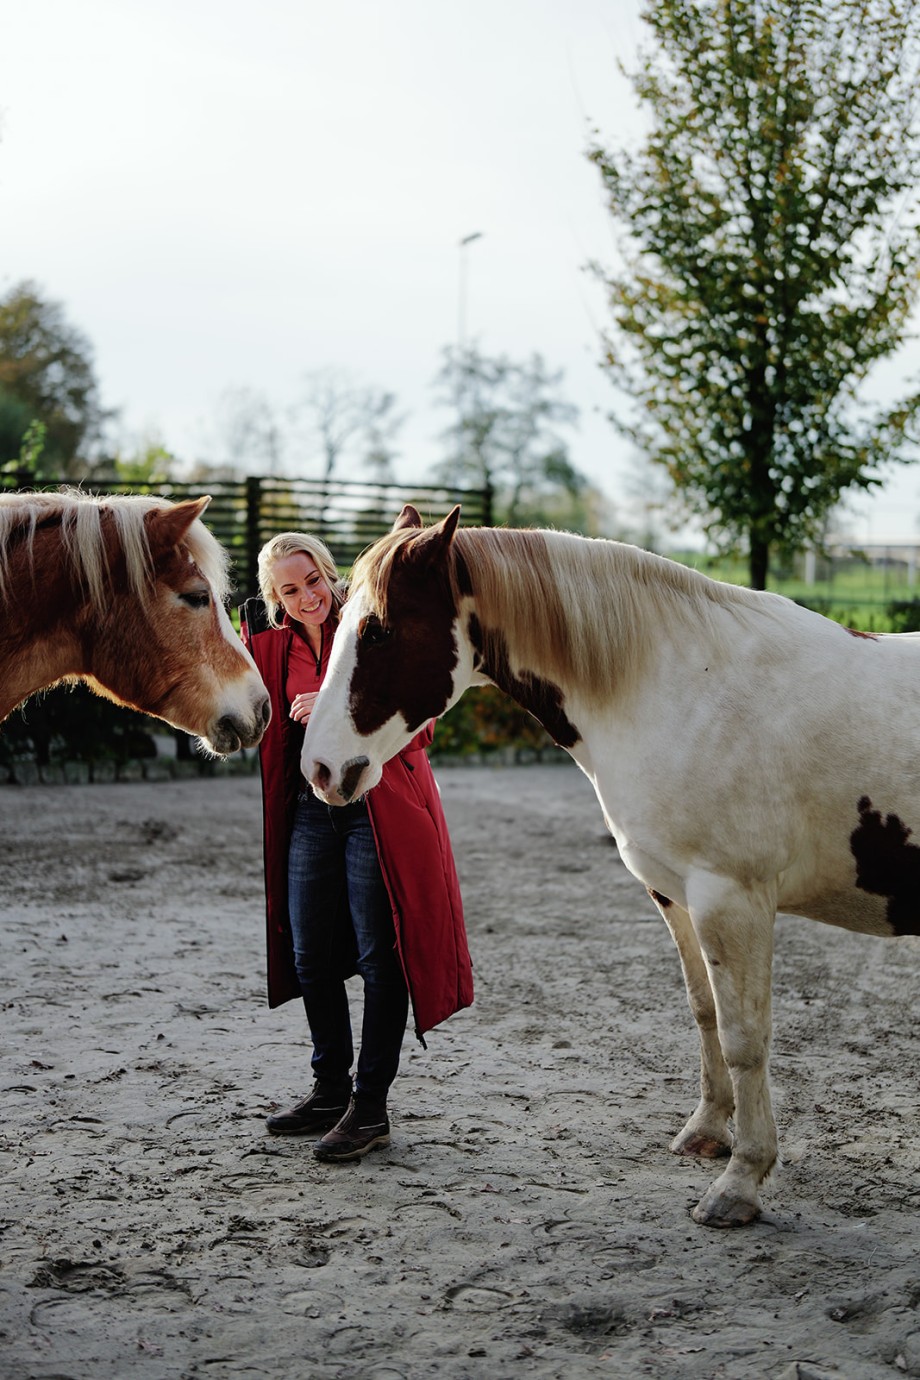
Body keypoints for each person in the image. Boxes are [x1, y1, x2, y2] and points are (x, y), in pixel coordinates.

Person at [240, 531, 473, 1162]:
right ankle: (327, 1090)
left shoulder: (371, 625)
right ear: (274, 599)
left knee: (379, 957)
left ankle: (370, 1107)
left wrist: (340, 711)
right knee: (311, 952)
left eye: (312, 579)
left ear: (327, 572)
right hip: (313, 812)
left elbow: (421, 716)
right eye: (289, 590)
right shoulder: (271, 648)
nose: (307, 596)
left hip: (380, 806)